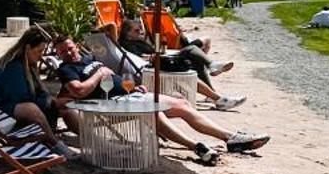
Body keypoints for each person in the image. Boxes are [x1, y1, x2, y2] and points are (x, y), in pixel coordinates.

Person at [55, 39, 267, 166]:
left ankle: (230, 138)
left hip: (131, 95)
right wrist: (100, 74)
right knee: (154, 112)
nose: (68, 52)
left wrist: (135, 86)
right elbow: (78, 90)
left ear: (76, 45)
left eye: (70, 48)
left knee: (182, 103)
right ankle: (197, 147)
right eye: (63, 51)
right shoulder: (66, 69)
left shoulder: (89, 59)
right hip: (114, 103)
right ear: (58, 54)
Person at [119, 15, 244, 108]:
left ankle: (215, 96)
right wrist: (153, 55)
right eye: (136, 30)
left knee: (196, 61)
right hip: (153, 68)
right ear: (127, 34)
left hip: (162, 61)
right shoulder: (128, 45)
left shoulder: (139, 41)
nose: (140, 31)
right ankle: (213, 70)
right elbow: (140, 58)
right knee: (191, 50)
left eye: (141, 29)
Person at [0, 28, 76, 152]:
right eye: (38, 51)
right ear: (27, 48)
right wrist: (50, 102)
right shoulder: (13, 67)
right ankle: (54, 143)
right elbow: (22, 98)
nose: (41, 56)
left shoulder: (27, 65)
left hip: (12, 108)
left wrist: (53, 101)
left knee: (65, 108)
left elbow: (38, 93)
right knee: (30, 108)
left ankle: (89, 138)